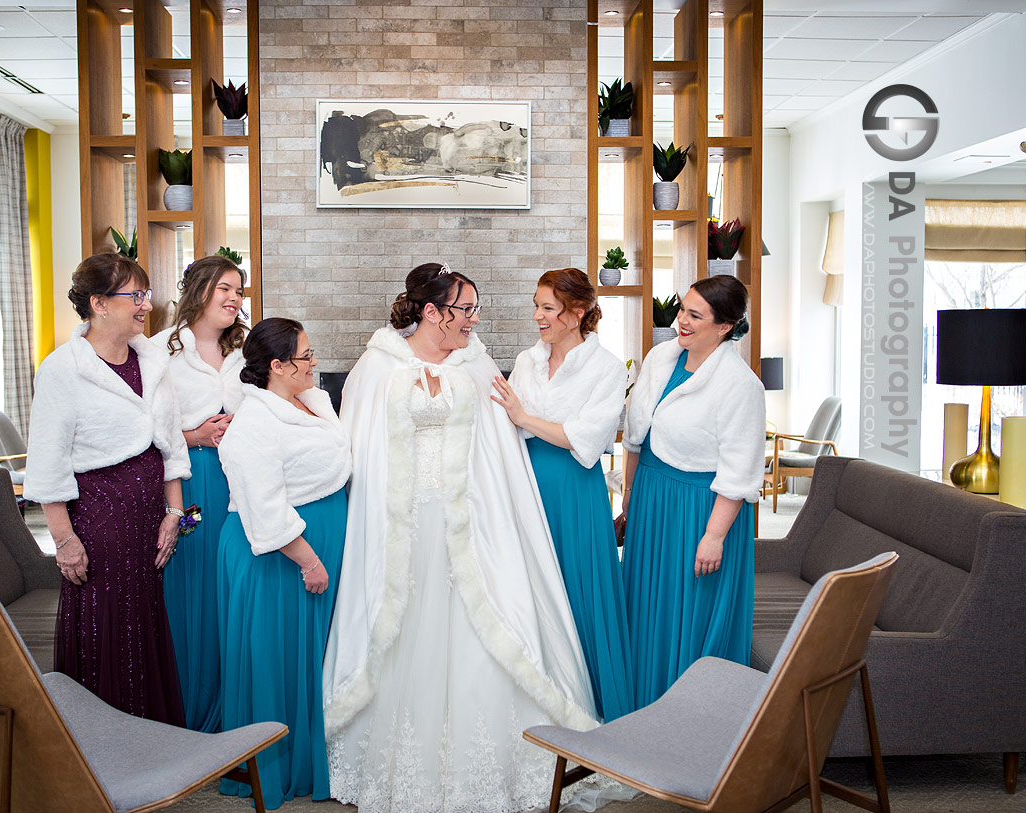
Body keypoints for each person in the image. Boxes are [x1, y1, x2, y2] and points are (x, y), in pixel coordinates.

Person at [323, 263, 598, 813]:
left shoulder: (477, 363)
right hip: (402, 523)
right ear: (432, 312)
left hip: (470, 521)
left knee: (481, 623)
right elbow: (359, 447)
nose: (475, 320)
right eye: (465, 309)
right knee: (405, 626)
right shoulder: (377, 367)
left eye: (475, 308)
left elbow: (501, 448)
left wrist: (499, 516)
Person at [23, 253, 188, 725]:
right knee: (106, 632)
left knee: (145, 631)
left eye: (145, 295)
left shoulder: (152, 360)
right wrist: (64, 542)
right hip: (99, 525)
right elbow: (49, 465)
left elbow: (171, 443)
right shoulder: (63, 370)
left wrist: (173, 514)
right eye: (134, 296)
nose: (144, 306)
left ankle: (150, 742)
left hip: (148, 525)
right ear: (98, 303)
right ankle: (101, 752)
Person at [491, 268, 634, 723]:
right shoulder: (527, 358)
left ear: (576, 314)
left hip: (572, 491)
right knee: (528, 588)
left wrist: (521, 416)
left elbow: (586, 439)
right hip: (525, 482)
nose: (537, 316)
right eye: (536, 305)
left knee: (576, 590)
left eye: (547, 308)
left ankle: (588, 706)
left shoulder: (607, 368)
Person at [217, 318, 350, 809]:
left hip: (317, 540)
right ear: (277, 366)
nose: (315, 364)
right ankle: (283, 766)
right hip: (279, 555)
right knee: (280, 658)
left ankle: (319, 753)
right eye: (307, 356)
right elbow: (265, 507)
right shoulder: (253, 423)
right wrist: (309, 560)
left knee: (315, 657)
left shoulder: (312, 400)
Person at [616, 275, 766, 710]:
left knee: (690, 613)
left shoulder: (740, 386)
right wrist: (631, 493)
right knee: (648, 611)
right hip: (653, 497)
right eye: (682, 309)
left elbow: (739, 472)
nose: (681, 321)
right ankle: (640, 707)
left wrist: (715, 536)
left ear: (724, 327)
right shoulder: (662, 356)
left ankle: (686, 721)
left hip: (699, 511)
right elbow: (635, 433)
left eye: (694, 315)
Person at [150, 254, 248, 733]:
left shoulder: (245, 353)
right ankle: (189, 706)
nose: (234, 299)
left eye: (239, 291)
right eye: (225, 288)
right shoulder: (159, 353)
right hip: (191, 490)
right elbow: (146, 432)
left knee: (233, 584)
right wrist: (195, 436)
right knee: (192, 584)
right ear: (199, 290)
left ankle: (233, 702)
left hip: (241, 481)